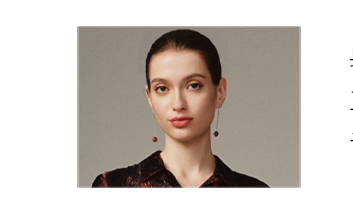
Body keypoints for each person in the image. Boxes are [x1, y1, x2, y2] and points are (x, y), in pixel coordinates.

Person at [92, 28, 269, 187]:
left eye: (193, 85)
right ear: (149, 98)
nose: (178, 104)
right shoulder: (112, 186)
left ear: (220, 92)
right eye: (162, 88)